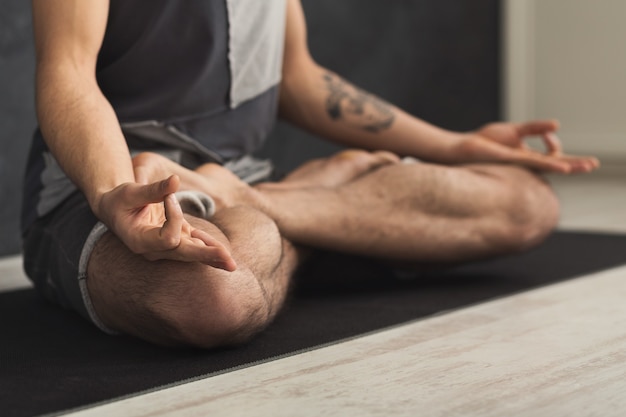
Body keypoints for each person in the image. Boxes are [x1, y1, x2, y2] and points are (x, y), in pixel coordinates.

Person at [22, 0, 598, 348]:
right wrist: (111, 194)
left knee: (527, 203)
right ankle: (315, 217)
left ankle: (265, 209)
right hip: (117, 189)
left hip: (236, 185)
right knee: (211, 301)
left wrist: (457, 144)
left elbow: (297, 77)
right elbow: (68, 72)